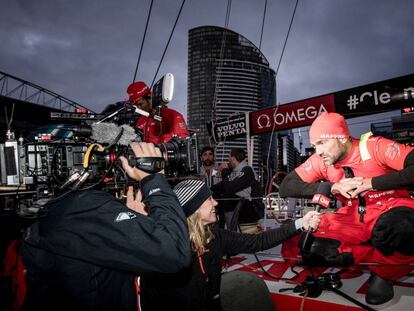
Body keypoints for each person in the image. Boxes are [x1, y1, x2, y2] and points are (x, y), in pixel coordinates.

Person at [20, 142, 191, 311]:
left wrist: (134, 223)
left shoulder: (60, 206)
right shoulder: (82, 207)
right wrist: (154, 180)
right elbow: (173, 250)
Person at [279, 112, 414, 306]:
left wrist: (372, 183)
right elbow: (286, 186)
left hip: (392, 208)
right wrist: (333, 187)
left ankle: (383, 273)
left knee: (402, 228)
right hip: (354, 217)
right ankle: (370, 255)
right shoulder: (323, 161)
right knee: (300, 243)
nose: (317, 151)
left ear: (342, 137)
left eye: (322, 143)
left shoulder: (374, 146)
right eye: (315, 145)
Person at [139, 178, 321, 311]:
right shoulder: (170, 246)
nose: (216, 203)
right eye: (209, 199)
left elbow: (258, 241)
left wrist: (300, 224)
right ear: (194, 207)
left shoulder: (215, 235)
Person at [211, 148, 261, 231]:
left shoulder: (247, 170)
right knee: (216, 194)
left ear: (233, 158)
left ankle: (229, 231)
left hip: (250, 209)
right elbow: (217, 187)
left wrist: (225, 171)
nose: (228, 161)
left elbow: (229, 188)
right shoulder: (234, 173)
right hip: (239, 208)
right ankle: (219, 230)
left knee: (226, 197)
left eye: (228, 158)